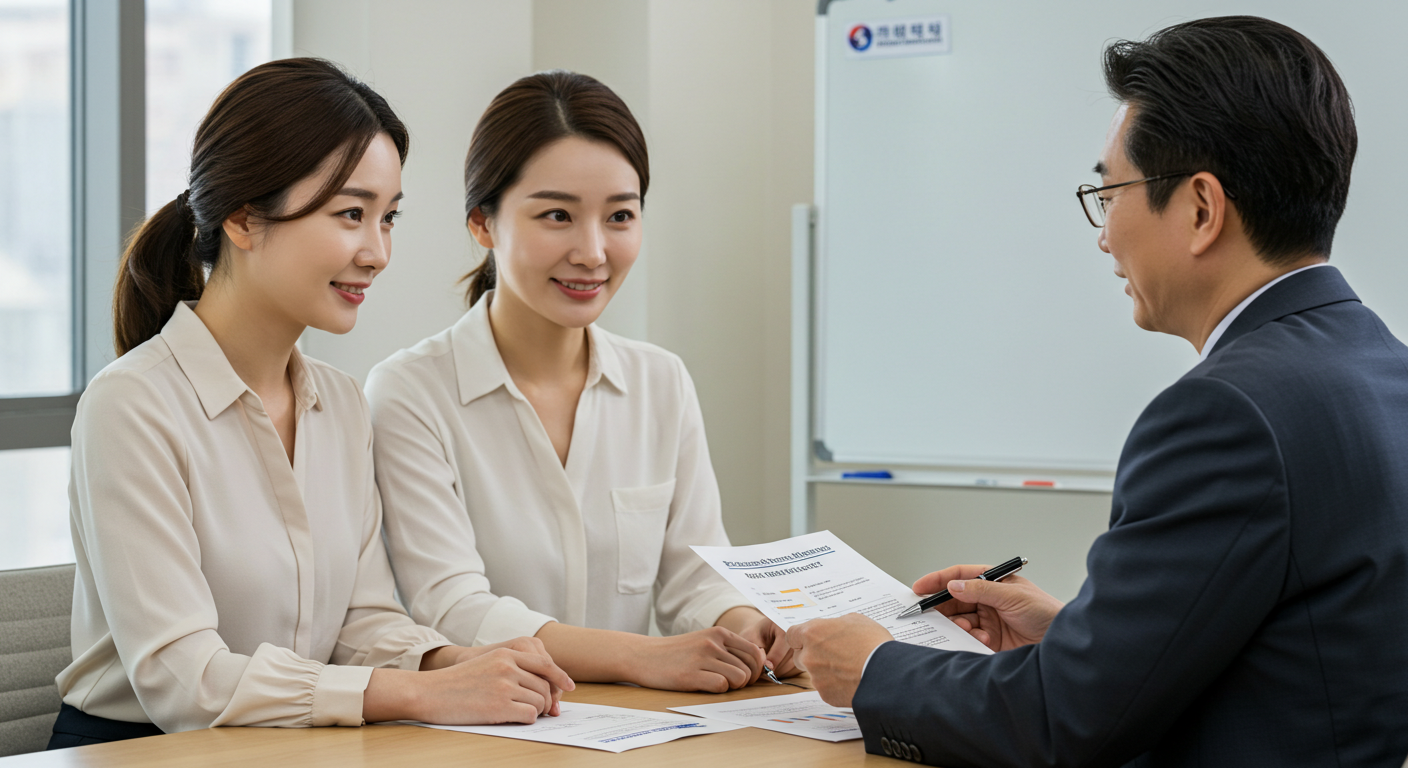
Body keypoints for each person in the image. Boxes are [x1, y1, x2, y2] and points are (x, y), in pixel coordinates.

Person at [784, 16, 1408, 767]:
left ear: (1201, 209)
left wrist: (874, 669)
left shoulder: (1226, 414)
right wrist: (1072, 633)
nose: (1104, 235)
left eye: (1110, 193)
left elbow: (1065, 723)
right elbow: (1296, 652)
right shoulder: (1379, 368)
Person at [52, 58, 572, 749]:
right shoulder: (132, 407)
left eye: (388, 218)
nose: (378, 251)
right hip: (143, 752)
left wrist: (454, 660)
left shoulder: (341, 405)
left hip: (294, 746)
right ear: (243, 217)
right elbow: (182, 680)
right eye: (351, 214)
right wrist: (420, 690)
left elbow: (361, 621)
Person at [367, 71, 791, 693]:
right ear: (483, 223)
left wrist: (745, 622)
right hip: (477, 736)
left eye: (620, 215)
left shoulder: (660, 381)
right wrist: (639, 657)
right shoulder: (409, 393)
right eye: (558, 215)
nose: (593, 251)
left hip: (633, 736)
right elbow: (452, 607)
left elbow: (695, 577)